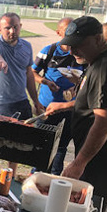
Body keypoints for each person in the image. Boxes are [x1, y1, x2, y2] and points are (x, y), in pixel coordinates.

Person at [46, 16, 107, 212]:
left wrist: (79, 163)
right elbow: (97, 101)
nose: (73, 50)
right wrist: (66, 105)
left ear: (98, 38)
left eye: (79, 45)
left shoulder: (106, 67)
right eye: (70, 45)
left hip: (102, 157)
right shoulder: (105, 60)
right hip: (102, 154)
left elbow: (104, 123)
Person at [0, 12, 44, 172]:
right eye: (7, 28)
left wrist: (35, 100)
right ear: (0, 29)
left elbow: (28, 73)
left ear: (20, 26)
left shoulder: (26, 46)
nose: (12, 31)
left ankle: (11, 174)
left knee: (18, 143)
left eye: (15, 27)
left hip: (21, 101)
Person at [32, 17, 86, 175]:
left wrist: (76, 85)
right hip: (47, 107)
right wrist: (46, 82)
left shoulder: (80, 54)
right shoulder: (48, 51)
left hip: (70, 109)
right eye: (67, 30)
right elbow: (32, 72)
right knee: (41, 143)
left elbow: (87, 81)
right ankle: (36, 175)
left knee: (61, 146)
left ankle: (53, 177)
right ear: (58, 32)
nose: (72, 34)